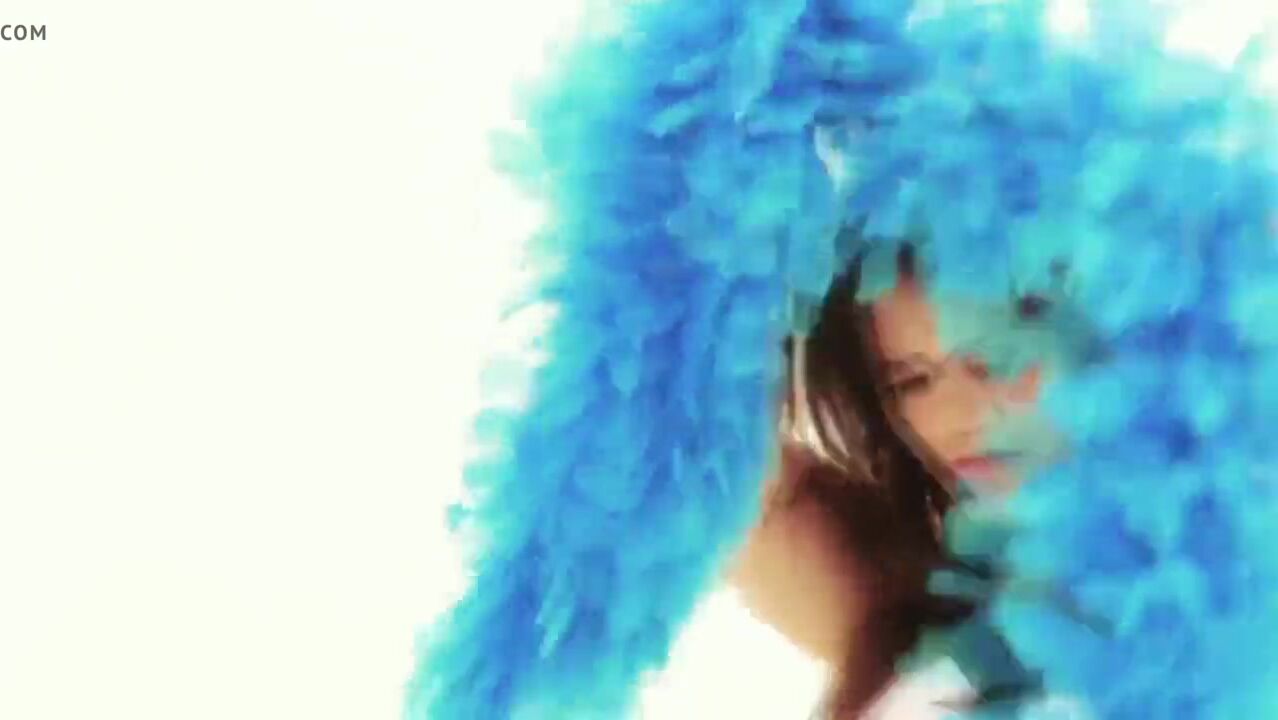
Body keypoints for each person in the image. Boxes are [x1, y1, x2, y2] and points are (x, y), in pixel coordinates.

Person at [730, 243, 1082, 718]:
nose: (956, 417)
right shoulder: (900, 606)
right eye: (912, 381)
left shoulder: (1178, 618)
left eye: (994, 359)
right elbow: (681, 434)